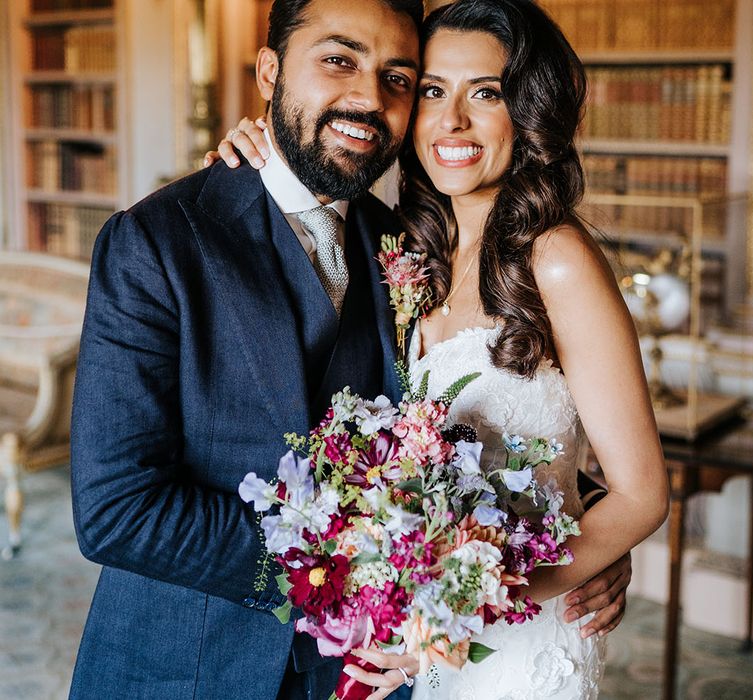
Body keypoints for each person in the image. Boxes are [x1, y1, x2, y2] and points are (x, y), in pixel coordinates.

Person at [210, 1, 669, 698]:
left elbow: (641, 492)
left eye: (486, 93)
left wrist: (454, 614)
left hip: (514, 644)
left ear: (528, 110)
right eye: (431, 91)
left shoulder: (559, 259)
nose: (452, 120)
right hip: (426, 653)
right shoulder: (412, 252)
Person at [69, 1, 423, 698]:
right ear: (270, 71)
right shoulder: (156, 241)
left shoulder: (411, 245)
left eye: (399, 78)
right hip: (183, 669)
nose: (368, 97)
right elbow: (115, 508)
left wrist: (593, 547)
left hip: (363, 679)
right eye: (338, 59)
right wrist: (330, 569)